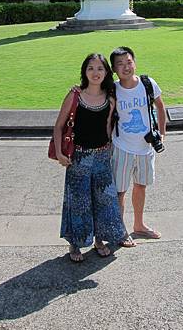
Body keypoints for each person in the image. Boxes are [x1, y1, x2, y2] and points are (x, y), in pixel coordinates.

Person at [53, 53, 129, 262]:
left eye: (100, 69)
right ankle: (75, 243)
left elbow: (108, 127)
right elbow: (59, 126)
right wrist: (60, 153)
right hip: (79, 157)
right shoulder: (75, 95)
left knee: (105, 200)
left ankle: (100, 239)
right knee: (78, 202)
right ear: (84, 72)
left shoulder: (109, 97)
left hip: (103, 156)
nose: (95, 73)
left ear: (106, 73)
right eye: (91, 68)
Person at [109, 46, 167, 243]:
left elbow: (160, 106)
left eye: (129, 62)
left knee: (141, 186)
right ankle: (120, 230)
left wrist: (162, 133)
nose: (126, 67)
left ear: (134, 62)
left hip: (145, 147)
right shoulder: (113, 89)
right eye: (120, 64)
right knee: (120, 190)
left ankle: (139, 225)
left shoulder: (147, 83)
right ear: (114, 69)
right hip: (122, 147)